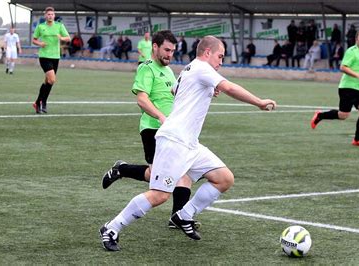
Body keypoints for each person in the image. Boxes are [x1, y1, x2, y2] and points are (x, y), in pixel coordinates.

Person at [99, 35, 276, 251]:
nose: (221, 62)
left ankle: (184, 215)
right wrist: (258, 102)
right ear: (207, 52)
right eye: (220, 56)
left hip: (190, 143)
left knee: (224, 178)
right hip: (174, 140)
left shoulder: (189, 69)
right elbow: (229, 87)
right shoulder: (202, 67)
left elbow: (176, 91)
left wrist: (209, 89)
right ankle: (111, 227)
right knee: (159, 195)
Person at [101, 30, 197, 230]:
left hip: (173, 132)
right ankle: (122, 169)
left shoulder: (169, 71)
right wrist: (161, 117)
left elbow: (176, 95)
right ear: (155, 47)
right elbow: (142, 100)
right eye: (166, 50)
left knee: (180, 172)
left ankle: (176, 217)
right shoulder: (147, 68)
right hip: (153, 130)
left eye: (173, 51)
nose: (170, 54)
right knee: (163, 176)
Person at [310, 30, 359, 147]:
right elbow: (343, 67)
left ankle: (357, 140)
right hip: (348, 88)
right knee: (343, 115)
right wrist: (357, 75)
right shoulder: (351, 51)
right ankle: (320, 115)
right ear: (356, 40)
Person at [32, 6, 70, 114]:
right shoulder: (40, 27)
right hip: (44, 56)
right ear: (45, 16)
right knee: (52, 80)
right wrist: (40, 43)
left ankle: (37, 103)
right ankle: (43, 102)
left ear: (54, 16)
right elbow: (34, 40)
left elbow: (68, 38)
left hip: (55, 57)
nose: (50, 16)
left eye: (52, 14)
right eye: (48, 14)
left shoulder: (59, 26)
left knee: (48, 81)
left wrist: (62, 38)